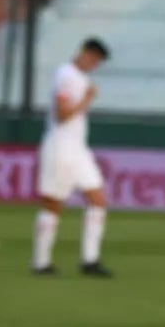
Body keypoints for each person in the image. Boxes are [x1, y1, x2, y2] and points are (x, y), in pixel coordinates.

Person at [31, 37, 113, 277]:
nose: (95, 65)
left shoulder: (82, 79)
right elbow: (62, 115)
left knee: (98, 200)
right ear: (86, 53)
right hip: (60, 147)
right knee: (53, 204)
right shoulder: (65, 75)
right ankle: (41, 262)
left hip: (78, 148)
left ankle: (90, 260)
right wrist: (87, 100)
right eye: (95, 59)